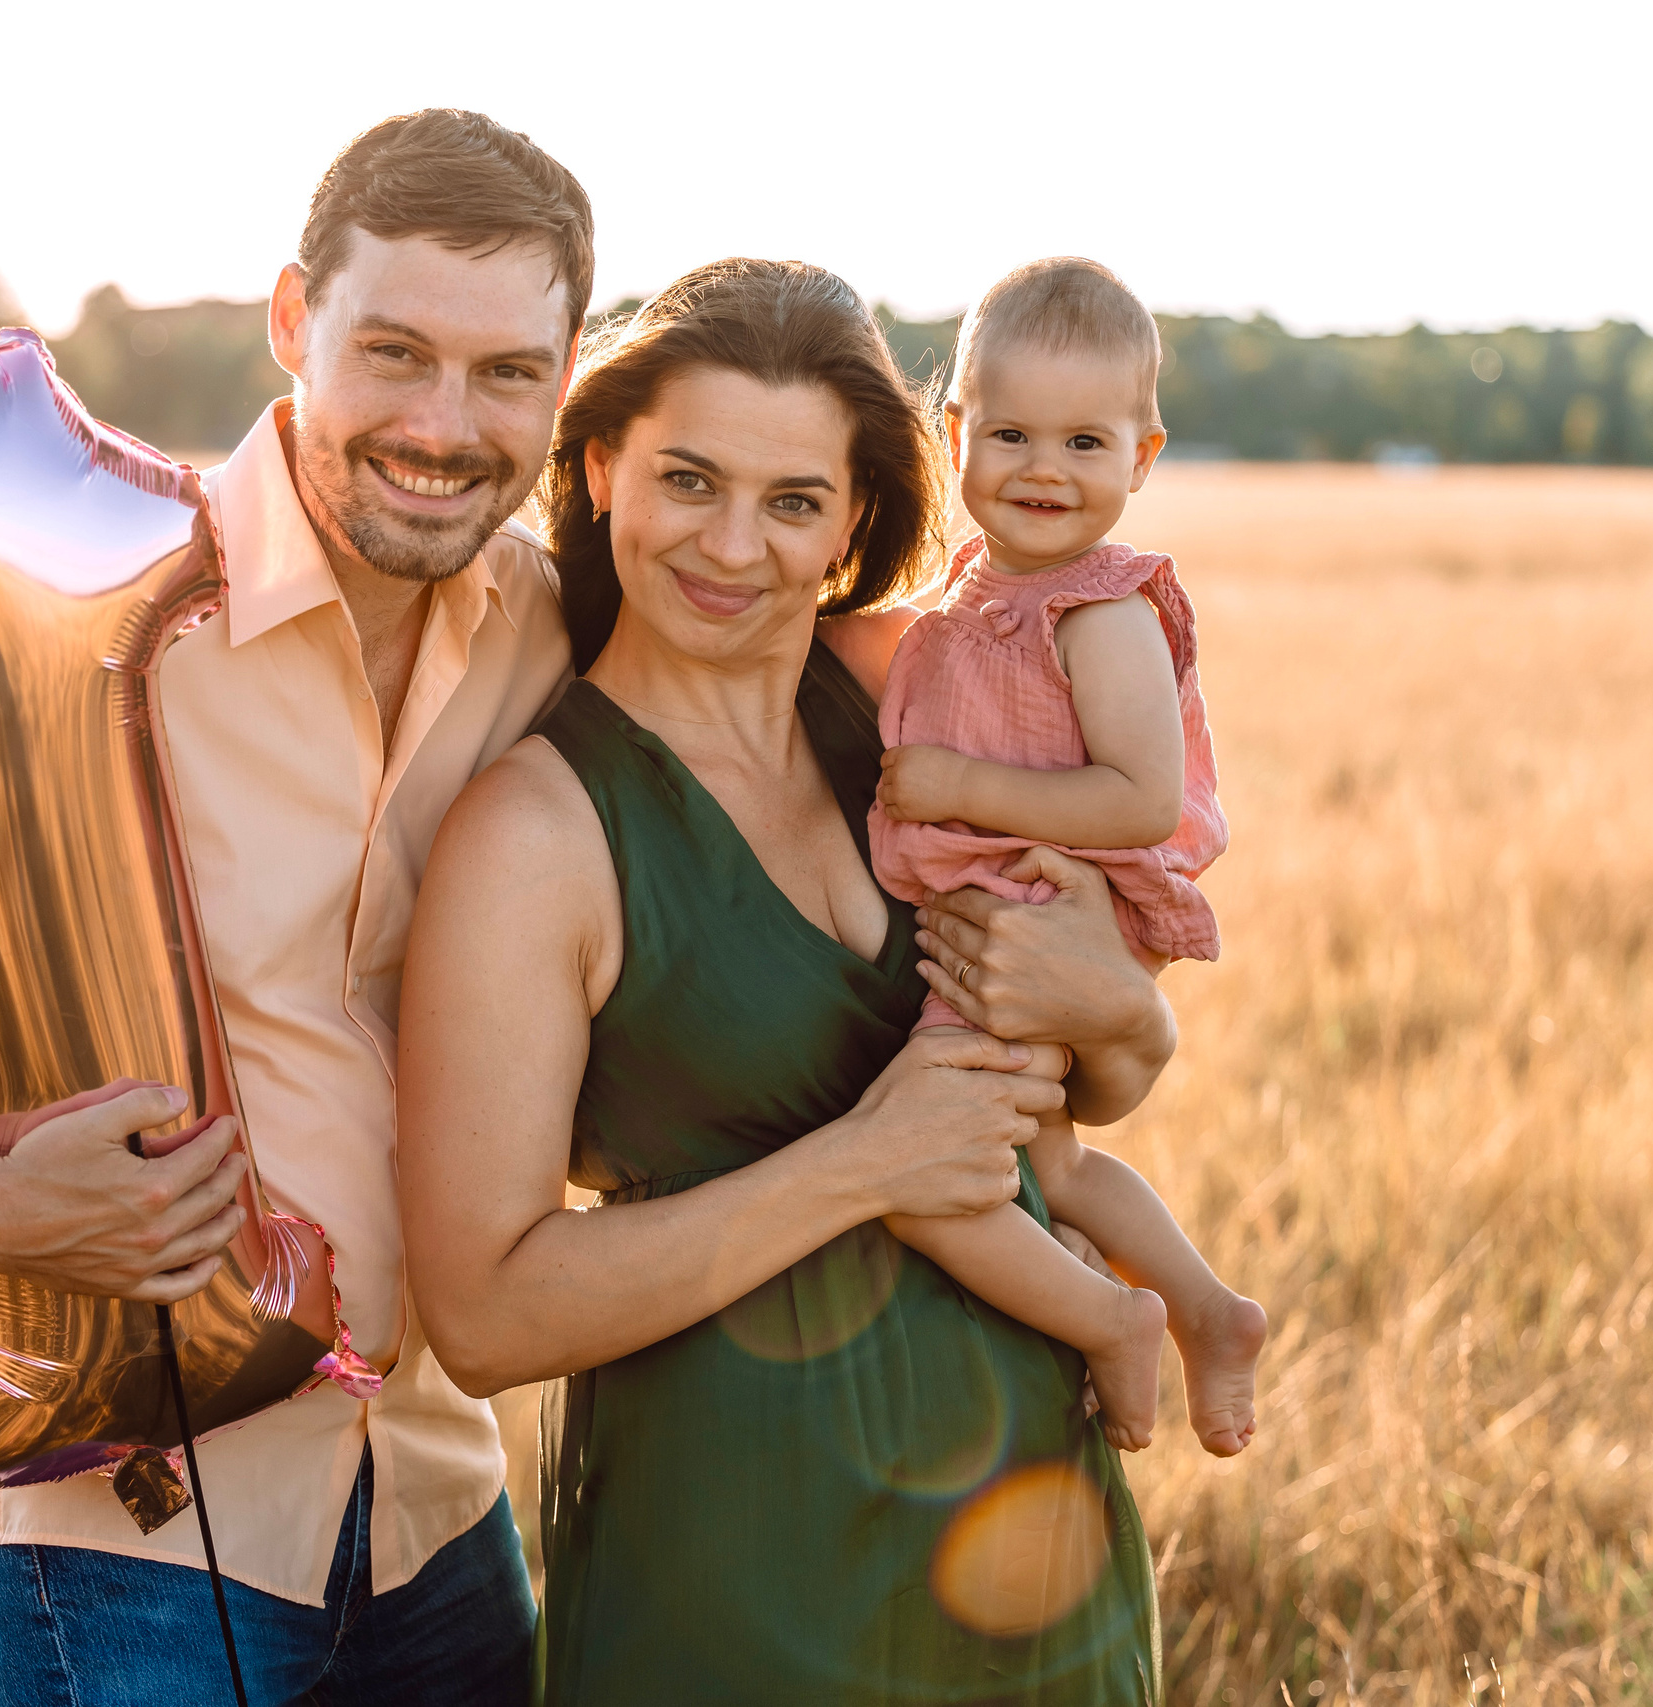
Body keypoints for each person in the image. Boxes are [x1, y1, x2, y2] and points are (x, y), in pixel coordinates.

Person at [0, 110, 596, 1705]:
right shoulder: (91, 625)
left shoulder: (547, 625)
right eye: (394, 351)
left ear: (567, 374)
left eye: (506, 371)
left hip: (444, 1502)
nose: (444, 425)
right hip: (142, 1536)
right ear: (293, 321)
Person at [397, 258, 1172, 1704]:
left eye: (795, 501)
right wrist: (867, 1161)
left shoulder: (918, 699)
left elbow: (1088, 1089)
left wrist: (1127, 1015)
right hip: (738, 1570)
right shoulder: (537, 831)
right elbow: (487, 1315)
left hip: (1037, 1541)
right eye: (688, 480)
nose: (733, 546)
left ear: (857, 520)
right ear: (602, 467)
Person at [867, 257, 1268, 1457]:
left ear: (1141, 458)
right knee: (1055, 1165)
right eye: (1011, 435)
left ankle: (1112, 1320)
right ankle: (1208, 1310)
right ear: (955, 435)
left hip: (1040, 915)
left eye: (1084, 443)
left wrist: (956, 789)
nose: (1043, 469)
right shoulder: (970, 589)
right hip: (999, 910)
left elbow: (1140, 800)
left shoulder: (1102, 611)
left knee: (919, 1177)